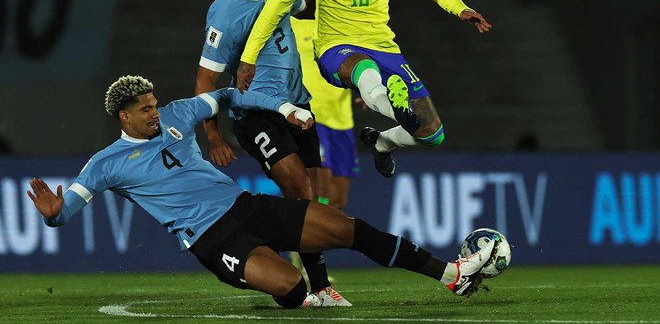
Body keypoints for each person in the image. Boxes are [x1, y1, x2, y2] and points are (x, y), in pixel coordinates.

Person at [27, 75, 496, 308]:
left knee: (346, 228)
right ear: (123, 117)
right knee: (290, 287)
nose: (155, 113)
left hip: (245, 206)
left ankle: (450, 274)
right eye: (145, 110)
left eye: (154, 105)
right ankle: (300, 289)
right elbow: (65, 212)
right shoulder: (105, 164)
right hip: (213, 240)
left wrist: (283, 108)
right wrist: (52, 214)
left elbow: (228, 96)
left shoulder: (178, 113)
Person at [236, 0, 492, 178]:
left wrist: (461, 9)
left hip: (383, 45)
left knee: (432, 133)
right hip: (335, 46)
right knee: (365, 69)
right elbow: (278, 2)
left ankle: (381, 142)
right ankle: (395, 108)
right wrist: (249, 58)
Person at [194, 0, 349, 306]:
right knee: (299, 188)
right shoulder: (225, 14)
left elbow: (306, 4)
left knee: (312, 201)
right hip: (257, 115)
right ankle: (319, 286)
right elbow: (205, 81)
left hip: (299, 108)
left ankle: (270, 246)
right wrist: (212, 135)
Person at [292, 17, 358, 210]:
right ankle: (305, 227)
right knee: (321, 193)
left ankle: (322, 229)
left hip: (342, 119)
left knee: (339, 200)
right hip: (311, 116)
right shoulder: (290, 22)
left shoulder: (340, 20)